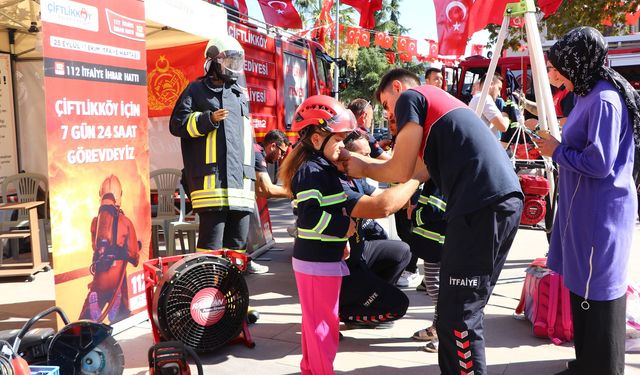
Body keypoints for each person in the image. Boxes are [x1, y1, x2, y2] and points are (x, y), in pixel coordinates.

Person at [344, 68, 524, 375]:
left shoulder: (412, 97)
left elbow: (400, 170)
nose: (391, 115)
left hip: (481, 206)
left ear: (397, 88)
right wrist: (371, 164)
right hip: (493, 204)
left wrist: (360, 166)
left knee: (459, 313)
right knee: (455, 309)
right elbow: (413, 168)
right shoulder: (440, 109)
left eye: (387, 106)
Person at [535, 27, 639, 375]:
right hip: (584, 210)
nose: (553, 74)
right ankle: (587, 363)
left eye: (557, 67)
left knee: (600, 292)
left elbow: (600, 162)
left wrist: (557, 150)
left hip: (601, 213)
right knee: (583, 290)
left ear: (577, 63)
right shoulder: (586, 93)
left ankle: (603, 368)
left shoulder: (605, 99)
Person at [169, 34, 267, 274]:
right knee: (211, 249)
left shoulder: (239, 94)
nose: (233, 68)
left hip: (241, 186)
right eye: (229, 62)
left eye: (236, 62)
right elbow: (177, 124)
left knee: (237, 248)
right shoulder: (196, 90)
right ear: (213, 62)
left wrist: (259, 168)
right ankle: (208, 300)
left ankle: (234, 302)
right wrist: (207, 120)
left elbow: (248, 136)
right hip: (211, 184)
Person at [278, 95, 358, 374]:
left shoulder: (323, 169)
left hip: (323, 259)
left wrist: (341, 239)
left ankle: (311, 369)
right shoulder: (312, 172)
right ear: (315, 140)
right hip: (316, 262)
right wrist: (343, 229)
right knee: (323, 327)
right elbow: (310, 219)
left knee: (318, 323)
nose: (342, 146)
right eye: (337, 140)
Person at [338, 130, 426, 329]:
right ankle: (347, 312)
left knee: (403, 250)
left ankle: (370, 299)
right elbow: (381, 207)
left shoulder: (356, 178)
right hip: (344, 266)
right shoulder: (339, 183)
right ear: (348, 155)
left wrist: (412, 198)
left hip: (360, 254)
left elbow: (385, 194)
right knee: (398, 306)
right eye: (365, 155)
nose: (369, 160)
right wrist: (417, 178)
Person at [79, 175, 141, 323]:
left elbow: (96, 247)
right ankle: (117, 310)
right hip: (118, 279)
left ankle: (92, 317)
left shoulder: (95, 222)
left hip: (100, 279)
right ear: (119, 197)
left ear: (100, 195)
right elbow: (134, 257)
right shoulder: (126, 222)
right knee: (123, 316)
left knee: (84, 322)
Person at [409, 179, 447, 353]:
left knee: (436, 287)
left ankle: (444, 333)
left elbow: (434, 209)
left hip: (437, 244)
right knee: (434, 286)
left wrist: (415, 214)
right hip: (435, 244)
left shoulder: (440, 178)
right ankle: (437, 327)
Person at [469, 74, 510, 140]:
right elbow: (503, 126)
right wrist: (506, 114)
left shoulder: (478, 98)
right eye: (499, 88)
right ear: (491, 84)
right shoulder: (484, 98)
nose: (499, 94)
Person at [255, 129, 291, 199]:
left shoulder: (256, 151)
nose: (282, 157)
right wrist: (294, 192)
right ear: (273, 146)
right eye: (282, 152)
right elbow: (268, 190)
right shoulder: (258, 156)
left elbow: (259, 191)